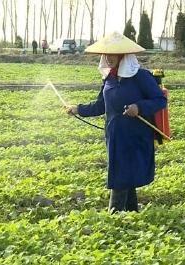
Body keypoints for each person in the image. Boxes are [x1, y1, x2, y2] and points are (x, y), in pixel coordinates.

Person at [63, 32, 167, 213]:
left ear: (123, 56)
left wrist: (139, 107)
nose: (108, 59)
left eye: (112, 55)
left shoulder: (140, 76)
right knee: (127, 176)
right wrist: (77, 109)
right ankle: (132, 213)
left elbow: (160, 100)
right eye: (106, 55)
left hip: (135, 136)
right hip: (115, 136)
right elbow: (100, 105)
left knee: (121, 176)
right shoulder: (108, 79)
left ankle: (114, 216)